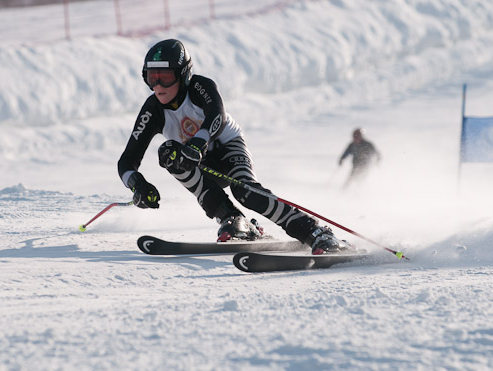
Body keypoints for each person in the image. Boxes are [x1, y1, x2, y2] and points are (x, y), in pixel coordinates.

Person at [117, 39, 347, 254]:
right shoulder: (153, 110)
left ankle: (314, 231)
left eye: (164, 77)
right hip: (198, 159)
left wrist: (198, 143)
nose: (157, 86)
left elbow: (218, 116)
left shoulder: (200, 87)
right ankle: (232, 218)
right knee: (168, 153)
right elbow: (127, 161)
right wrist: (137, 185)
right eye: (151, 77)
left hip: (227, 146)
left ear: (183, 75)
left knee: (245, 191)